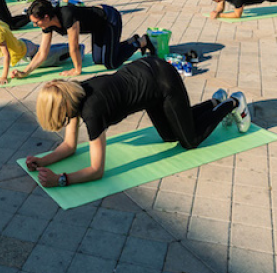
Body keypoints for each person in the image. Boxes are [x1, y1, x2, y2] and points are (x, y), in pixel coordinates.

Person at [23, 60, 251, 188]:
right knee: (171, 136)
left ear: (61, 108)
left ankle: (233, 102)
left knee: (189, 141)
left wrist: (61, 179)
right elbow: (70, 146)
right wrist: (43, 160)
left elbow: (96, 170)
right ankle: (214, 101)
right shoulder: (72, 94)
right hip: (145, 81)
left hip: (163, 80)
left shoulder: (92, 111)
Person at [18, 0, 146, 79]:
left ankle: (140, 42)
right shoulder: (47, 24)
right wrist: (25, 72)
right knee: (98, 60)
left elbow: (74, 47)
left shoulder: (67, 15)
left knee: (111, 64)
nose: (35, 25)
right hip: (96, 27)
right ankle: (130, 41)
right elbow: (42, 53)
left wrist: (77, 69)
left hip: (109, 19)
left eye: (36, 22)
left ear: (46, 17)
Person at [0, 6, 38, 86]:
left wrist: (4, 76)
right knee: (47, 50)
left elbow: (6, 55)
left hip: (28, 51)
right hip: (24, 45)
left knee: (51, 54)